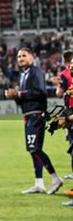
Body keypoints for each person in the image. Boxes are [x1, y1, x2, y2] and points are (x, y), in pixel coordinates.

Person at [5, 48, 63, 195]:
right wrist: (15, 97)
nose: (20, 58)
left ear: (31, 57)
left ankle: (55, 178)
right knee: (33, 149)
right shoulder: (22, 75)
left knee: (35, 149)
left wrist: (19, 93)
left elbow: (40, 91)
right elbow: (23, 100)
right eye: (18, 56)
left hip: (36, 114)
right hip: (28, 114)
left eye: (24, 55)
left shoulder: (36, 71)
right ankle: (39, 184)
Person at [53, 50, 73, 180]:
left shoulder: (64, 74)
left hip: (70, 110)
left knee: (72, 141)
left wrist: (60, 87)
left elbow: (59, 94)